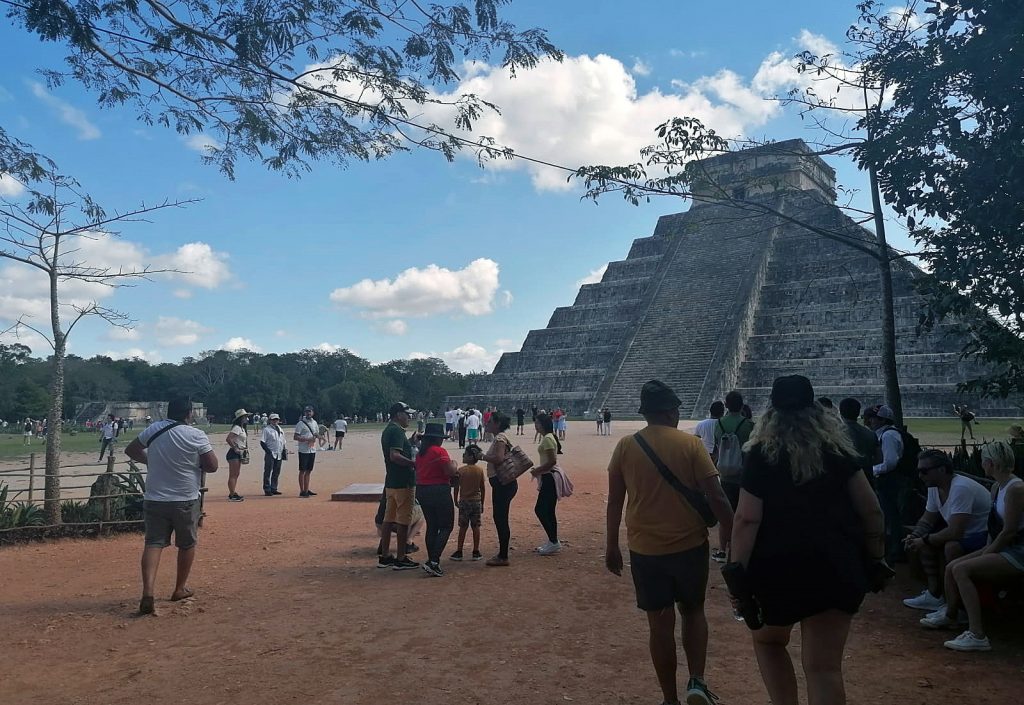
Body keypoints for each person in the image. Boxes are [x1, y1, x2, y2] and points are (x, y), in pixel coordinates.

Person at [729, 375, 886, 705]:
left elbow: (746, 518)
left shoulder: (760, 454)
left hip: (777, 568)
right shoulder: (838, 451)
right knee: (824, 669)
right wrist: (875, 557)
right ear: (815, 409)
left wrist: (736, 573)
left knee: (769, 642)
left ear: (771, 411)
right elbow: (871, 510)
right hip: (835, 563)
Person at [605, 380, 734, 705]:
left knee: (659, 625)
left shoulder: (625, 446)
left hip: (645, 549)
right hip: (689, 546)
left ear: (647, 413)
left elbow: (614, 502)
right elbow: (716, 496)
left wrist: (611, 546)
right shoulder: (690, 445)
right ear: (672, 411)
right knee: (693, 612)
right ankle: (697, 682)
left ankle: (669, 699)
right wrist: (732, 537)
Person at [920, 441, 1024, 651]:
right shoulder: (997, 487)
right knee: (952, 567)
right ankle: (951, 615)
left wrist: (988, 551)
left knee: (961, 569)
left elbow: (1010, 530)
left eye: (983, 461)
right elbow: (995, 527)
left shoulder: (1016, 488)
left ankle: (977, 634)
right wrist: (987, 549)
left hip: (1018, 549)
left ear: (990, 463)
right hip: (1005, 546)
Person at [125, 397, 218, 615]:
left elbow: (132, 450)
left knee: (153, 543)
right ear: (189, 413)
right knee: (186, 544)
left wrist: (150, 460)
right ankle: (179, 588)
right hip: (184, 497)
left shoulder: (154, 429)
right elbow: (212, 466)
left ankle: (148, 591)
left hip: (155, 497)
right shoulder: (195, 434)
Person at [901, 448, 991, 612]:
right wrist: (914, 537)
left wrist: (924, 539)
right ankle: (935, 594)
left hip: (984, 536)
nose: (920, 475)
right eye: (918, 471)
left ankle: (957, 605)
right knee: (920, 542)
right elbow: (928, 518)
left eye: (924, 471)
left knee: (950, 546)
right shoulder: (934, 487)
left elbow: (956, 531)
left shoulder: (960, 488)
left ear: (942, 470)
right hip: (965, 535)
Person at [379, 402, 420, 571]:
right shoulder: (396, 431)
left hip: (392, 481)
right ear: (398, 414)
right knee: (404, 521)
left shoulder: (389, 430)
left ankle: (385, 555)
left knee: (388, 519)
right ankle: (401, 557)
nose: (409, 417)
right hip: (403, 481)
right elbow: (395, 455)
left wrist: (410, 441)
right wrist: (414, 463)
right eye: (406, 414)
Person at [864, 404, 907, 564]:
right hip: (889, 479)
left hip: (890, 480)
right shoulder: (885, 434)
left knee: (891, 516)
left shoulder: (888, 436)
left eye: (872, 418)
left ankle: (896, 551)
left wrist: (871, 469)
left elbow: (889, 463)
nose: (868, 421)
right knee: (889, 515)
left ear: (882, 419)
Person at [414, 422, 458, 576]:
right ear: (437, 439)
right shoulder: (439, 452)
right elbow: (450, 471)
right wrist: (454, 463)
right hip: (439, 490)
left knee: (432, 526)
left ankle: (432, 559)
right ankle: (434, 561)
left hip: (422, 490)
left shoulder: (421, 453)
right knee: (446, 526)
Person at [481, 411, 516, 567]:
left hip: (503, 484)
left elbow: (499, 458)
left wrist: (481, 456)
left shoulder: (500, 438)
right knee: (500, 517)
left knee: (500, 518)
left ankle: (503, 555)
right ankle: (503, 553)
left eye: (489, 422)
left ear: (496, 424)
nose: (487, 424)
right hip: (504, 483)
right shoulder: (500, 438)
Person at [714, 390, 755, 510]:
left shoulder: (719, 423)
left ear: (726, 405)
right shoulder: (749, 425)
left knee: (728, 509)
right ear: (742, 405)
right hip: (744, 472)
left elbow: (717, 443)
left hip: (725, 471)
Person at [532, 412, 563, 555]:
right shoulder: (548, 438)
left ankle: (553, 541)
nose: (535, 425)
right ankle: (553, 541)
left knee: (541, 509)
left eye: (537, 423)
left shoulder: (548, 439)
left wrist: (537, 470)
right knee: (549, 510)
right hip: (548, 477)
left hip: (549, 477)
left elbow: (552, 461)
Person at [451, 444, 486, 561]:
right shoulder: (479, 470)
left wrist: (455, 499)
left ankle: (459, 551)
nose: (463, 456)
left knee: (463, 527)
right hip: (476, 501)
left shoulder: (460, 471)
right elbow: (483, 488)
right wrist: (482, 502)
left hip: (464, 501)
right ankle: (476, 551)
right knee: (476, 526)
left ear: (470, 457)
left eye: (465, 454)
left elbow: (456, 487)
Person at [839, 398, 879, 484]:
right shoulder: (870, 434)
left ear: (840, 411)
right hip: (866, 478)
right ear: (858, 412)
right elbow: (879, 458)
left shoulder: (835, 433)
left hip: (843, 479)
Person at [293, 405, 319, 497]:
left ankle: (307, 489)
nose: (308, 413)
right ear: (304, 413)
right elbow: (295, 437)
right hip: (303, 450)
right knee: (302, 470)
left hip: (312, 449)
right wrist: (306, 439)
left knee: (309, 470)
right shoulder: (300, 423)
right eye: (307, 411)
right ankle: (302, 490)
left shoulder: (315, 423)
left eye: (310, 411)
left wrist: (315, 438)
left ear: (313, 413)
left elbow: (316, 434)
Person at [225, 409, 249, 502]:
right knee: (233, 474)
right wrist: (235, 448)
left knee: (236, 474)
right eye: (245, 417)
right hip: (234, 453)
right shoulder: (237, 428)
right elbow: (229, 439)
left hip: (239, 452)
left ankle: (232, 492)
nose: (247, 418)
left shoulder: (241, 428)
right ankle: (232, 494)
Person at [260, 413, 286, 496]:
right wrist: (268, 452)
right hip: (271, 453)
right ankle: (267, 488)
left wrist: (284, 450)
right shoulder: (267, 430)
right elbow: (262, 442)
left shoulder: (280, 429)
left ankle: (274, 488)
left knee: (276, 471)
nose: (275, 421)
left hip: (279, 453)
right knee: (268, 471)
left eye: (276, 419)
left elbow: (283, 441)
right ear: (270, 420)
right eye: (273, 419)